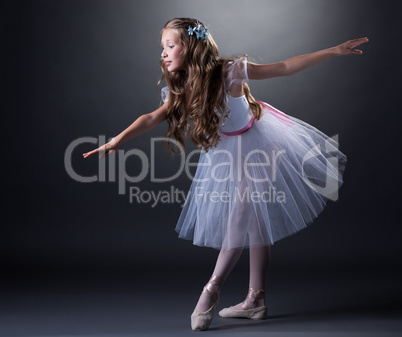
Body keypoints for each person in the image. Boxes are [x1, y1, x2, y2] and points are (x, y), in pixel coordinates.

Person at [83, 18, 368, 331]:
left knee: (240, 216)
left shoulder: (230, 71)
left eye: (170, 45)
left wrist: (334, 51)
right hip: (226, 152)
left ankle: (211, 290)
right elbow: (151, 117)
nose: (163, 53)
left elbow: (284, 67)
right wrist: (116, 141)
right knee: (255, 220)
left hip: (261, 145)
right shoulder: (181, 85)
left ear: (190, 47)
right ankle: (256, 300)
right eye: (162, 47)